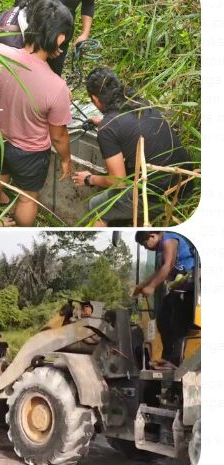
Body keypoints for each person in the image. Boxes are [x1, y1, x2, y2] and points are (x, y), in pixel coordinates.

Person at [0, 0, 74, 227]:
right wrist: (66, 159)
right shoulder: (57, 87)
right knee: (27, 197)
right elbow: (59, 136)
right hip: (30, 154)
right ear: (60, 38)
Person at [72, 68, 193, 226]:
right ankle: (136, 221)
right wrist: (103, 122)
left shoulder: (108, 129)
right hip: (186, 182)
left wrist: (89, 179)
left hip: (163, 195)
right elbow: (131, 127)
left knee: (97, 205)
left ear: (95, 99)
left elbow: (119, 181)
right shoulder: (139, 101)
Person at [0, 0, 95, 114]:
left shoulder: (27, 16)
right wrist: (57, 86)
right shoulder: (10, 46)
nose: (62, 41)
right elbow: (14, 90)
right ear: (46, 34)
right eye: (59, 37)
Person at [133, 231, 196, 368]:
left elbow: (167, 266)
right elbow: (160, 271)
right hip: (183, 285)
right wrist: (143, 285)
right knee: (162, 319)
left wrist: (151, 287)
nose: (145, 248)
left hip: (192, 283)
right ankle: (167, 357)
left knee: (178, 319)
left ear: (152, 235)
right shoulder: (163, 245)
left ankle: (176, 360)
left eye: (145, 245)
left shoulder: (169, 240)